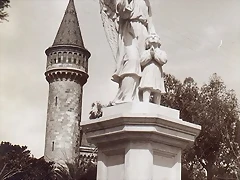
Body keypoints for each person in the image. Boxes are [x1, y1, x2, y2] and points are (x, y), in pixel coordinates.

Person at [100, 0, 156, 104]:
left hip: (143, 32)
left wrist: (152, 35)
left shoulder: (146, 2)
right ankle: (125, 96)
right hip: (129, 30)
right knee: (132, 60)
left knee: (144, 64)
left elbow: (150, 21)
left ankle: (139, 97)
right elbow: (122, 12)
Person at [139, 33, 167, 105]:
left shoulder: (161, 52)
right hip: (148, 71)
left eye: (155, 37)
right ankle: (145, 102)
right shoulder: (145, 52)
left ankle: (157, 104)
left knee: (158, 89)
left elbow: (163, 60)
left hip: (157, 71)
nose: (153, 38)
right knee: (147, 86)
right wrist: (149, 55)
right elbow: (142, 61)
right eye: (151, 37)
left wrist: (154, 54)